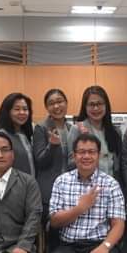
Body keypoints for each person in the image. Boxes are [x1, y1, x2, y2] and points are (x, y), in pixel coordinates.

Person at [67, 86, 123, 187]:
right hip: (85, 186)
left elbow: (118, 165)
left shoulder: (115, 131)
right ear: (85, 107)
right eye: (91, 104)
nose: (96, 108)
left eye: (99, 104)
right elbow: (70, 162)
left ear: (106, 105)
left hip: (110, 186)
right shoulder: (77, 129)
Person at [33, 89, 73, 224]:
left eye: (60, 101)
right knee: (52, 228)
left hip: (69, 189)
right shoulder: (41, 127)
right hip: (49, 190)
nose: (56, 106)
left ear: (66, 103)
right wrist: (52, 145)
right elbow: (40, 161)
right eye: (51, 103)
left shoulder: (71, 128)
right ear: (46, 107)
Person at [0, 92, 35, 176]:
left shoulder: (25, 134)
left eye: (25, 109)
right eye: (17, 109)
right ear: (7, 112)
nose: (22, 112)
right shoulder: (1, 136)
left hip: (29, 182)